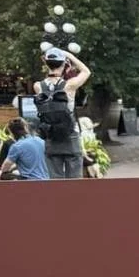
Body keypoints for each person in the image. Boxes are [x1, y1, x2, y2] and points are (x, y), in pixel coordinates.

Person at [35, 47, 91, 179]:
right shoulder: (69, 85)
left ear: (46, 64)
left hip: (51, 136)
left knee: (55, 181)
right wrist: (69, 55)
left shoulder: (38, 86)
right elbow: (86, 71)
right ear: (64, 64)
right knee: (74, 182)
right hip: (70, 135)